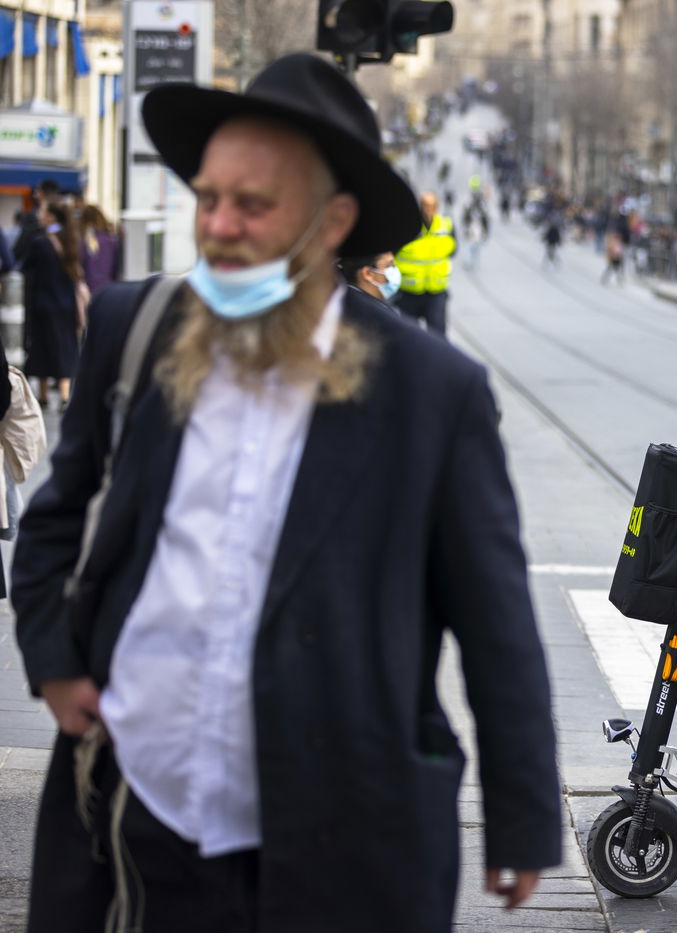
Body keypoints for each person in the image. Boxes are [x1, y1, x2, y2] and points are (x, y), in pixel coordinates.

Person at [11, 53, 560, 932]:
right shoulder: (134, 328)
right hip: (134, 817)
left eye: (253, 204)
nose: (219, 226)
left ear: (332, 219)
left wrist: (523, 813)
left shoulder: (431, 393)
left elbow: (497, 623)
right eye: (208, 198)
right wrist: (53, 657)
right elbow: (55, 516)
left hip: (339, 835)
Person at [23, 202, 87, 409]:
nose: (40, 215)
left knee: (42, 348)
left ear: (51, 217)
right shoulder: (72, 240)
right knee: (66, 346)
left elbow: (24, 266)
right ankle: (64, 394)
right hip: (67, 304)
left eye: (43, 211)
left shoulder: (40, 242)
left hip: (44, 304)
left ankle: (42, 395)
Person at [394, 191, 456, 336]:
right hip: (408, 292)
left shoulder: (446, 225)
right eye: (424, 206)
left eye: (431, 206)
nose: (428, 210)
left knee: (438, 336)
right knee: (407, 336)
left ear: (437, 207)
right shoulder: (406, 226)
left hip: (436, 292)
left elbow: (454, 249)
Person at [80, 204, 122, 297]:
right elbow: (116, 268)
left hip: (88, 291)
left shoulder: (83, 241)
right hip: (108, 290)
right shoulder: (111, 240)